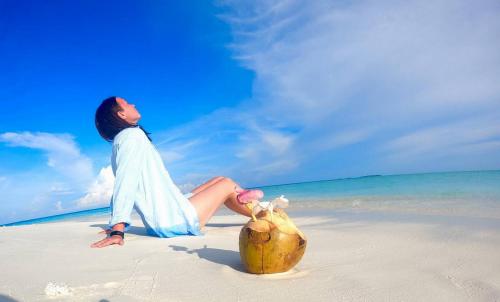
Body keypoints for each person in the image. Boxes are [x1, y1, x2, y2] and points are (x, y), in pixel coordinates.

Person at [91, 96, 264, 248]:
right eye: (127, 103)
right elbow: (125, 181)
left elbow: (121, 181)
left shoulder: (125, 139)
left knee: (219, 179)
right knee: (227, 185)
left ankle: (262, 212)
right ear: (121, 114)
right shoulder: (131, 137)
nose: (132, 104)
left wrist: (115, 223)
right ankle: (268, 215)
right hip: (172, 221)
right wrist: (117, 230)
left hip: (167, 214)